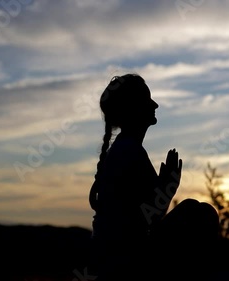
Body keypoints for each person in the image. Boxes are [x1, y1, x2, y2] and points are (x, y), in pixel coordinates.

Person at [87, 73, 220, 281]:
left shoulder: (124, 149)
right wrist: (168, 187)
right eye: (147, 100)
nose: (155, 104)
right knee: (200, 214)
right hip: (123, 261)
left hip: (114, 256)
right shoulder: (129, 152)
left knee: (196, 210)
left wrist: (164, 188)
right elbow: (147, 222)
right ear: (133, 108)